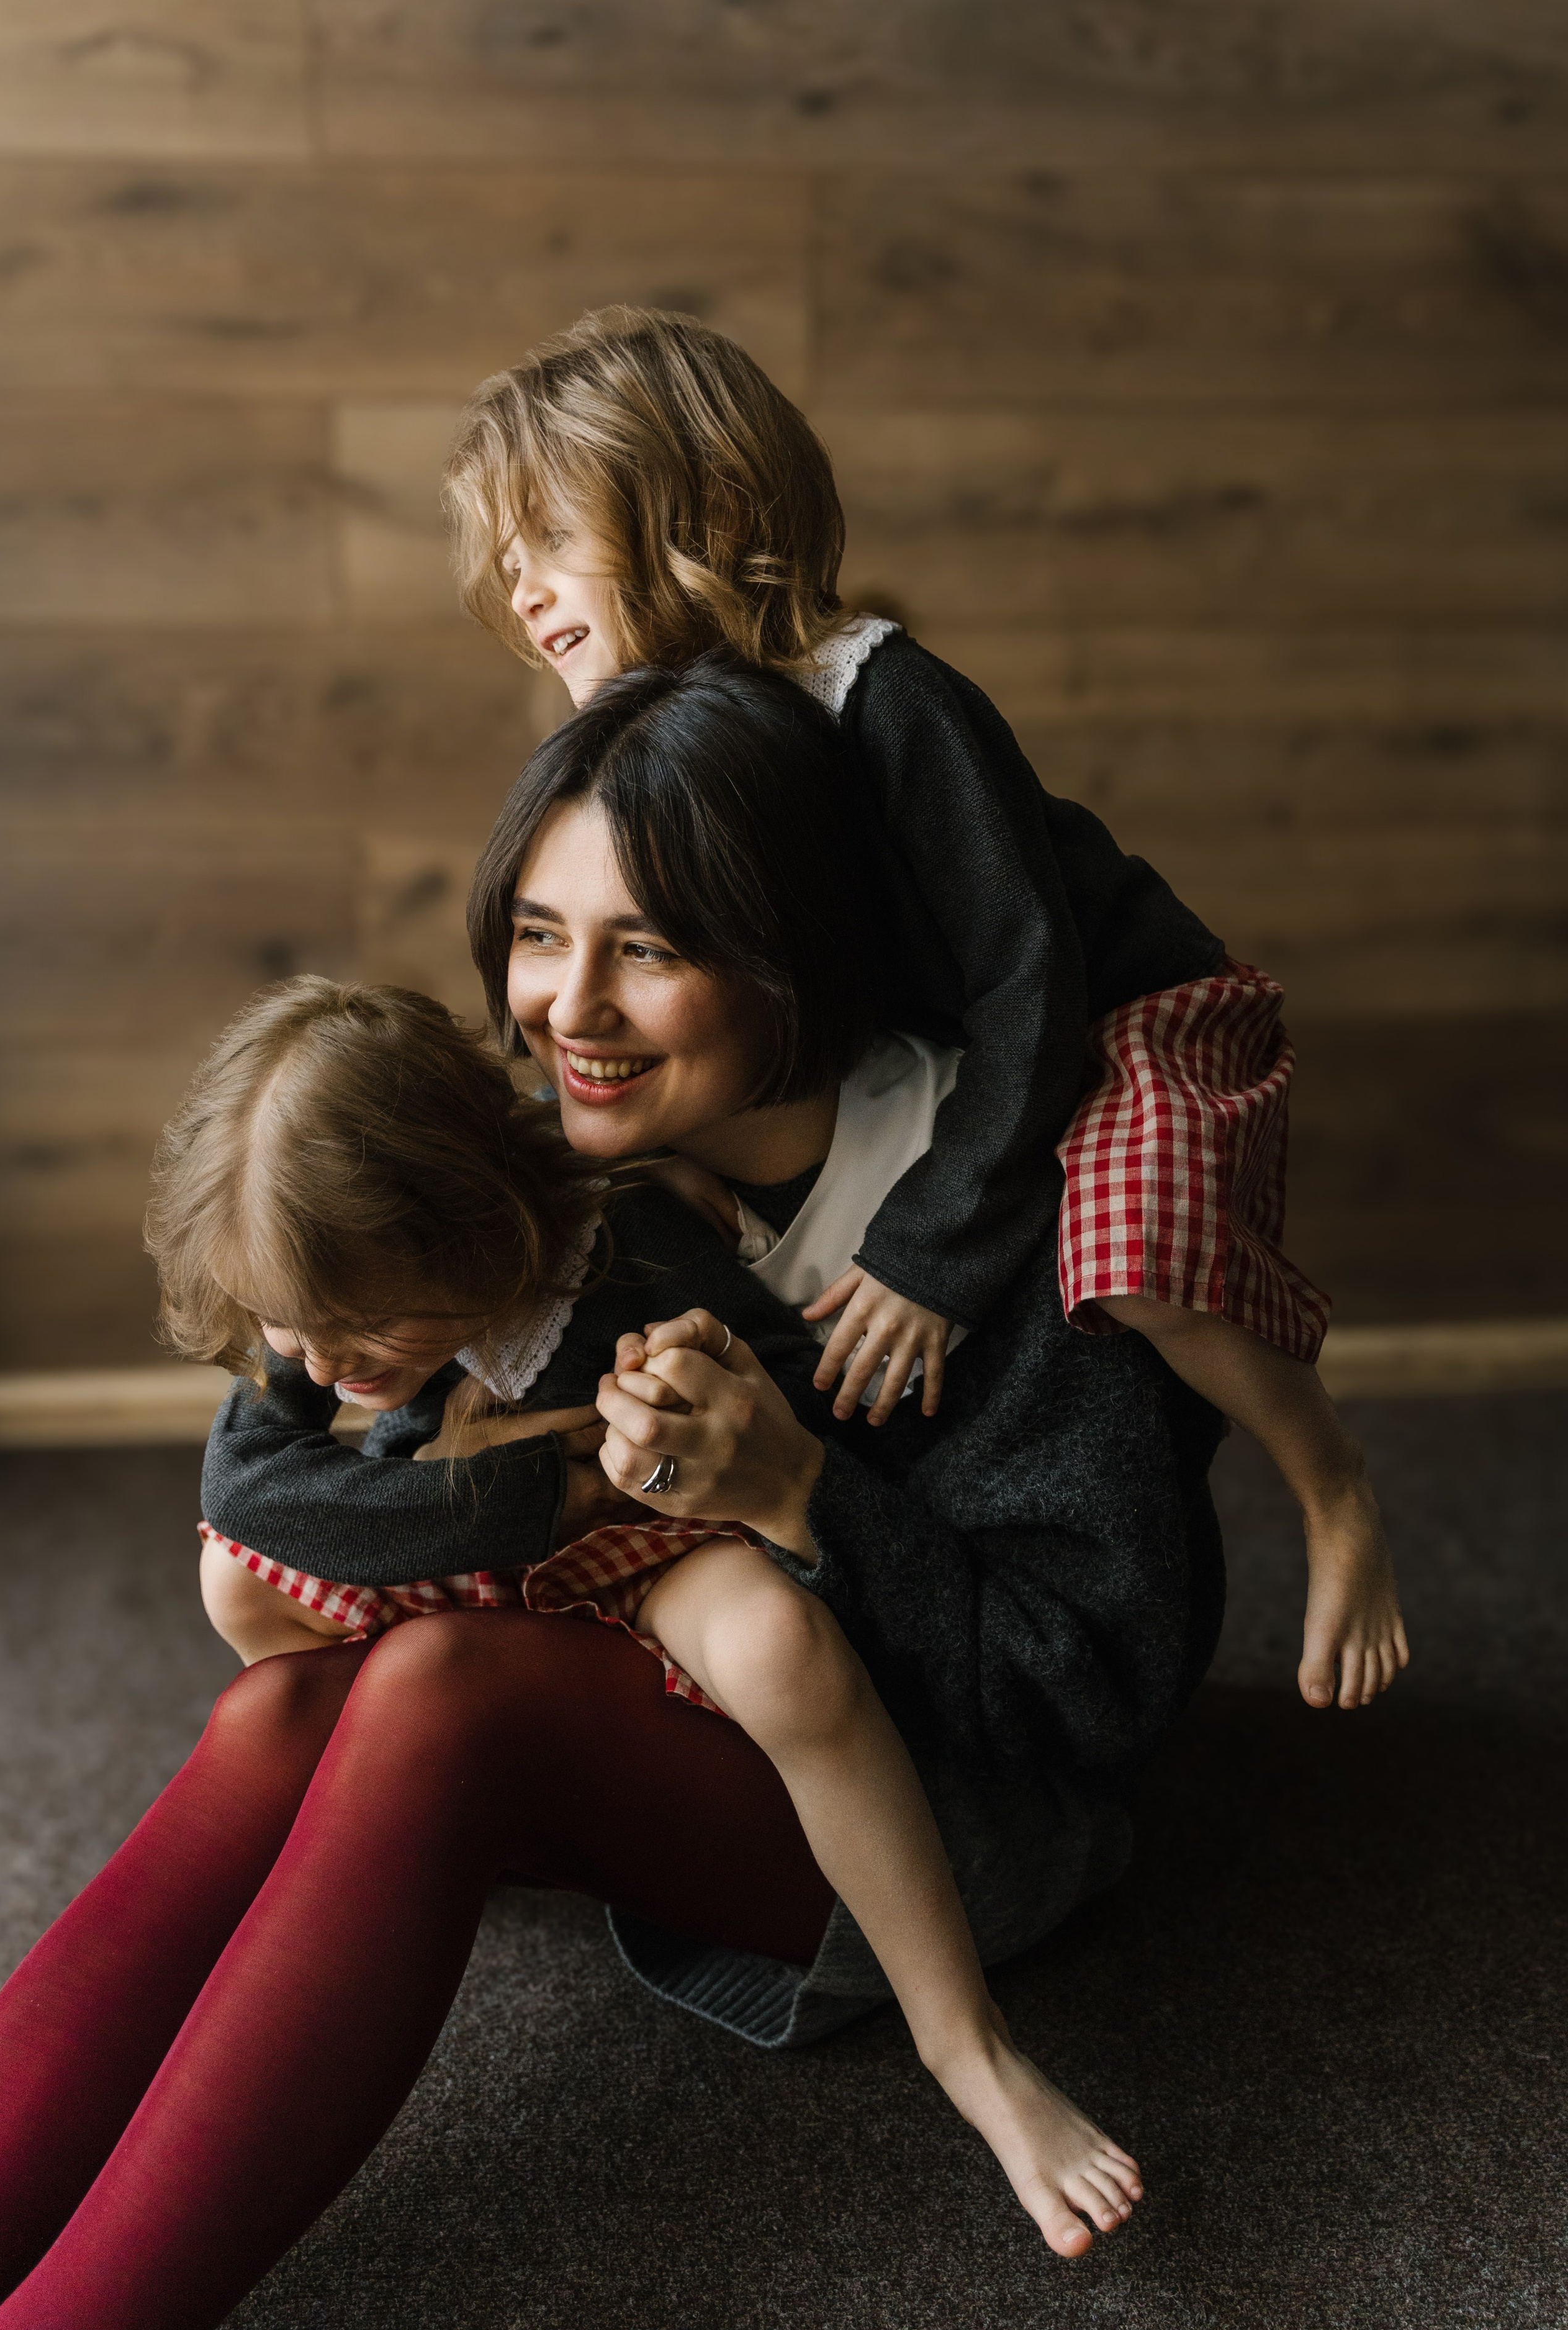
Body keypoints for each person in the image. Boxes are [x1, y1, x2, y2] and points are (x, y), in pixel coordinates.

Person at [0, 657, 1221, 2330]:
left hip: (952, 1807)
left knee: (436, 1695)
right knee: (275, 1705)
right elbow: (294, 1422)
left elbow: (1094, 1699)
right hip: (667, 1699)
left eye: (648, 946)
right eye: (540, 933)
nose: (566, 1005)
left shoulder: (1012, 1207)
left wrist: (800, 1489)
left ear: (796, 950)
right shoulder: (526, 1183)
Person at [444, 305, 1408, 1714]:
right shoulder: (666, 752)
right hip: (974, 1035)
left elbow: (1029, 982)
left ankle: (1331, 1488)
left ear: (703, 507)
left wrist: (930, 1254)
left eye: (554, 541)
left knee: (1127, 1255)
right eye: (507, 560)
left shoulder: (881, 700)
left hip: (1129, 1013)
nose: (524, 592)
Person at [166, 969, 1147, 2236]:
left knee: (780, 1649)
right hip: (513, 1516)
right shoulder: (320, 1284)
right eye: (288, 1329)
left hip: (662, 1529)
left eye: (348, 1327)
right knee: (231, 1575)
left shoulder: (627, 1249)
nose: (314, 1363)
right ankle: (475, 1806)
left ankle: (970, 2050)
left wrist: (682, 1410)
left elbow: (798, 1408)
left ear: (468, 1219)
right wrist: (525, 1488)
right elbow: (243, 1485)